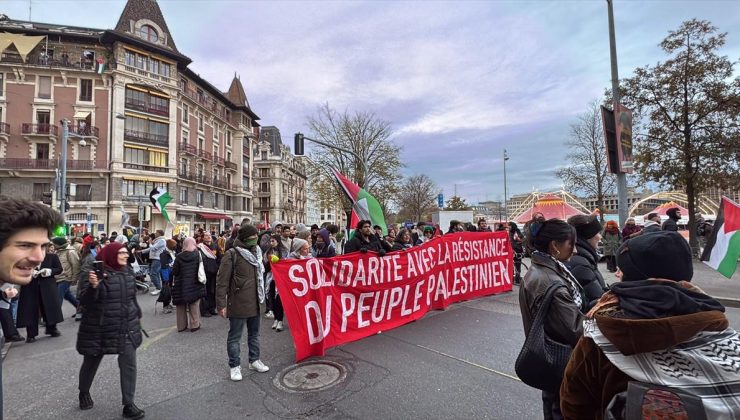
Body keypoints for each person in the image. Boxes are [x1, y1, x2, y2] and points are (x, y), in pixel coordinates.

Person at [560, 232, 738, 420]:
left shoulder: (602, 334)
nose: (616, 274)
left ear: (635, 277)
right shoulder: (718, 328)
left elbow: (573, 405)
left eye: (623, 270)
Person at [0, 198, 64, 417]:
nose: (38, 257)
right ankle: (32, 333)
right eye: (25, 245)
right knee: (30, 313)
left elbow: (57, 269)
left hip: (44, 288)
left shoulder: (48, 260)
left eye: (43, 246)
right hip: (31, 291)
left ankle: (51, 327)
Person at [518, 219, 584, 420]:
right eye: (570, 244)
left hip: (550, 360)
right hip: (562, 363)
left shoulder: (538, 270)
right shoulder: (551, 281)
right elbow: (576, 329)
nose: (574, 251)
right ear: (554, 246)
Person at [76, 242, 144, 419]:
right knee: (91, 361)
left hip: (126, 325)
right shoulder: (94, 271)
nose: (125, 255)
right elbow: (84, 301)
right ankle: (83, 392)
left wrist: (137, 313)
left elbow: (130, 297)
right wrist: (94, 286)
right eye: (121, 253)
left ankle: (129, 404)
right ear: (111, 254)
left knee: (129, 363)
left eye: (126, 252)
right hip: (99, 327)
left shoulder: (127, 270)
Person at [216, 224, 269, 382]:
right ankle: (235, 366)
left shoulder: (258, 252)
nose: (256, 239)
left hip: (256, 301)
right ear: (245, 238)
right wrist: (221, 304)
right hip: (238, 302)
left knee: (255, 334)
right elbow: (222, 282)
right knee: (235, 337)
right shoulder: (232, 254)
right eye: (253, 237)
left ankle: (254, 360)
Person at [16, 249, 64, 342]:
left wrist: (49, 271)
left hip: (47, 286)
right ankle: (31, 334)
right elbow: (18, 270)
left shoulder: (52, 256)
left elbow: (59, 269)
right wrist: (29, 272)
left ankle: (52, 329)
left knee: (50, 308)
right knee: (30, 310)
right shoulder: (25, 258)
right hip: (30, 287)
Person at [566, 215, 608, 311]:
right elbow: (596, 301)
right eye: (597, 233)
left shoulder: (583, 258)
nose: (600, 236)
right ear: (587, 236)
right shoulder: (580, 263)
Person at [171, 238, 205, 332]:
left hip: (180, 284)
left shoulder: (179, 256)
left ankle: (181, 326)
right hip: (194, 283)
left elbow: (175, 271)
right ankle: (195, 325)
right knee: (194, 303)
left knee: (180, 305)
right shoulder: (197, 255)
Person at [52, 236, 81, 314]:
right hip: (58, 277)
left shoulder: (70, 252)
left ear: (58, 244)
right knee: (67, 295)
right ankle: (80, 309)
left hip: (66, 278)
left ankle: (54, 317)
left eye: (54, 244)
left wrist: (75, 278)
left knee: (58, 298)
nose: (53, 246)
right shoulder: (57, 251)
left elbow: (76, 265)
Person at [263, 235, 284, 332]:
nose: (271, 243)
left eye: (273, 241)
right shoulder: (268, 252)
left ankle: (280, 320)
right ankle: (276, 318)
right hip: (271, 277)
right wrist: (269, 262)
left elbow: (285, 263)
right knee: (272, 297)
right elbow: (264, 263)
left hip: (280, 277)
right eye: (270, 241)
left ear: (278, 241)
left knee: (279, 299)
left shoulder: (283, 251)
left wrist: (278, 261)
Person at [138, 229, 166, 296]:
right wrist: (141, 251)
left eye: (156, 232)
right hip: (155, 258)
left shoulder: (161, 240)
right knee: (156, 274)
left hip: (157, 258)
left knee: (153, 273)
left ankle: (158, 288)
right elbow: (151, 249)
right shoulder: (158, 240)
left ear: (159, 233)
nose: (155, 234)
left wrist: (150, 243)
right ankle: (158, 287)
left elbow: (153, 248)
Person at [198, 235, 219, 317]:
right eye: (206, 236)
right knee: (205, 291)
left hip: (213, 272)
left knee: (213, 291)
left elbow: (219, 258)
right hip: (204, 272)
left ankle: (212, 308)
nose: (208, 237)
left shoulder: (215, 246)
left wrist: (217, 267)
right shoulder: (200, 247)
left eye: (209, 235)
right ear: (203, 238)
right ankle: (205, 310)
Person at [157, 239, 177, 314]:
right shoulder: (164, 254)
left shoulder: (172, 252)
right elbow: (164, 267)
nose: (176, 246)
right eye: (174, 245)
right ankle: (165, 306)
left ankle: (168, 304)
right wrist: (166, 279)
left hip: (170, 273)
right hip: (166, 274)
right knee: (166, 290)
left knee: (169, 289)